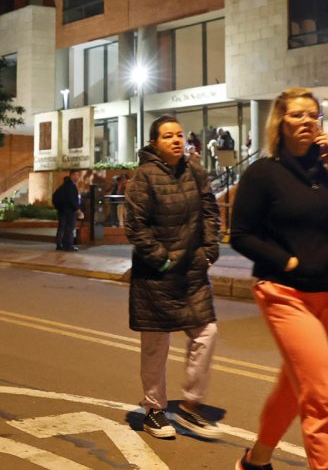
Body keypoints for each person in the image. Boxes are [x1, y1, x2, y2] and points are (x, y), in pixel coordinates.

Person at [230, 87, 328, 470]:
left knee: (297, 385)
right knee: (321, 396)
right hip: (284, 294)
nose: (308, 121)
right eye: (298, 115)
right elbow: (240, 234)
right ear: (281, 122)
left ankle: (256, 460)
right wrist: (287, 262)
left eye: (313, 115)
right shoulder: (263, 173)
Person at [124, 115, 222, 440]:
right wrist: (162, 260)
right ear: (154, 143)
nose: (177, 141)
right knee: (156, 344)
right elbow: (135, 226)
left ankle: (191, 404)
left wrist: (209, 248)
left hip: (193, 272)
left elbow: (210, 209)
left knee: (206, 331)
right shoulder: (143, 177)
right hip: (156, 276)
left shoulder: (195, 170)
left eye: (179, 135)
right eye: (168, 136)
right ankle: (154, 410)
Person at [52, 170, 82, 251]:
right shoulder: (70, 186)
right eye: (76, 175)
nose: (77, 177)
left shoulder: (64, 186)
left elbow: (55, 196)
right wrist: (77, 209)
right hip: (69, 211)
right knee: (69, 228)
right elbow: (71, 199)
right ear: (71, 175)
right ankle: (68, 245)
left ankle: (59, 244)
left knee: (62, 227)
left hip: (62, 210)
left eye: (78, 175)